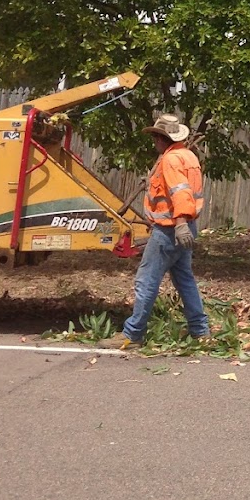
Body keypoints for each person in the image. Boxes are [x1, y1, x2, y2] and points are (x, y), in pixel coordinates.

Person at [97, 112, 209, 349]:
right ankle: (200, 331)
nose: (154, 143)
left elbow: (180, 192)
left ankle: (133, 334)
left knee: (146, 280)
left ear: (160, 138)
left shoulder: (170, 160)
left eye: (155, 138)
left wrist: (179, 223)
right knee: (184, 279)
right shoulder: (188, 156)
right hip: (186, 228)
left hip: (170, 230)